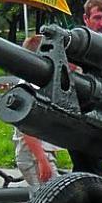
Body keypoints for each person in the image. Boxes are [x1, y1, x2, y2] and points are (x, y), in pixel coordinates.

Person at [11, 34, 60, 194]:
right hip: (33, 154)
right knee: (52, 197)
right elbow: (27, 128)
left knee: (46, 197)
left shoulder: (35, 84)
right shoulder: (27, 88)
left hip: (39, 152)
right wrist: (42, 159)